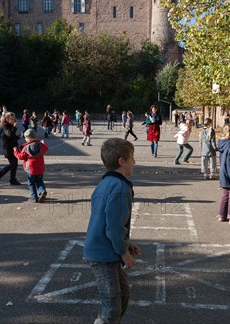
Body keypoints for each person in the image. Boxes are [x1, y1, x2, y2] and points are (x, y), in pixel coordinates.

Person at [83, 138, 141, 324]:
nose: (135, 161)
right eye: (132, 158)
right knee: (111, 306)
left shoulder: (105, 184)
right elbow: (114, 227)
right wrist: (124, 252)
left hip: (106, 250)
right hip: (103, 254)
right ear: (122, 161)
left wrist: (126, 243)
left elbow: (107, 221)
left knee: (122, 295)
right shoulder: (120, 188)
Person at [13, 129, 49, 203]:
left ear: (28, 139)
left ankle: (34, 197)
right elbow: (46, 149)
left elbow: (20, 157)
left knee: (31, 183)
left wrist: (15, 151)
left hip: (31, 168)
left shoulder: (26, 148)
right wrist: (43, 143)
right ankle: (42, 191)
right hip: (40, 167)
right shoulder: (40, 145)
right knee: (39, 181)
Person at [0, 112, 22, 185]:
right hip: (8, 149)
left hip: (13, 148)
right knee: (12, 164)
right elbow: (9, 134)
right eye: (11, 119)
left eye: (14, 119)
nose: (13, 120)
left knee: (15, 165)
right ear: (7, 119)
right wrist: (15, 127)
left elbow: (11, 137)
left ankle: (13, 179)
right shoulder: (5, 126)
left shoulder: (10, 126)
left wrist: (18, 137)